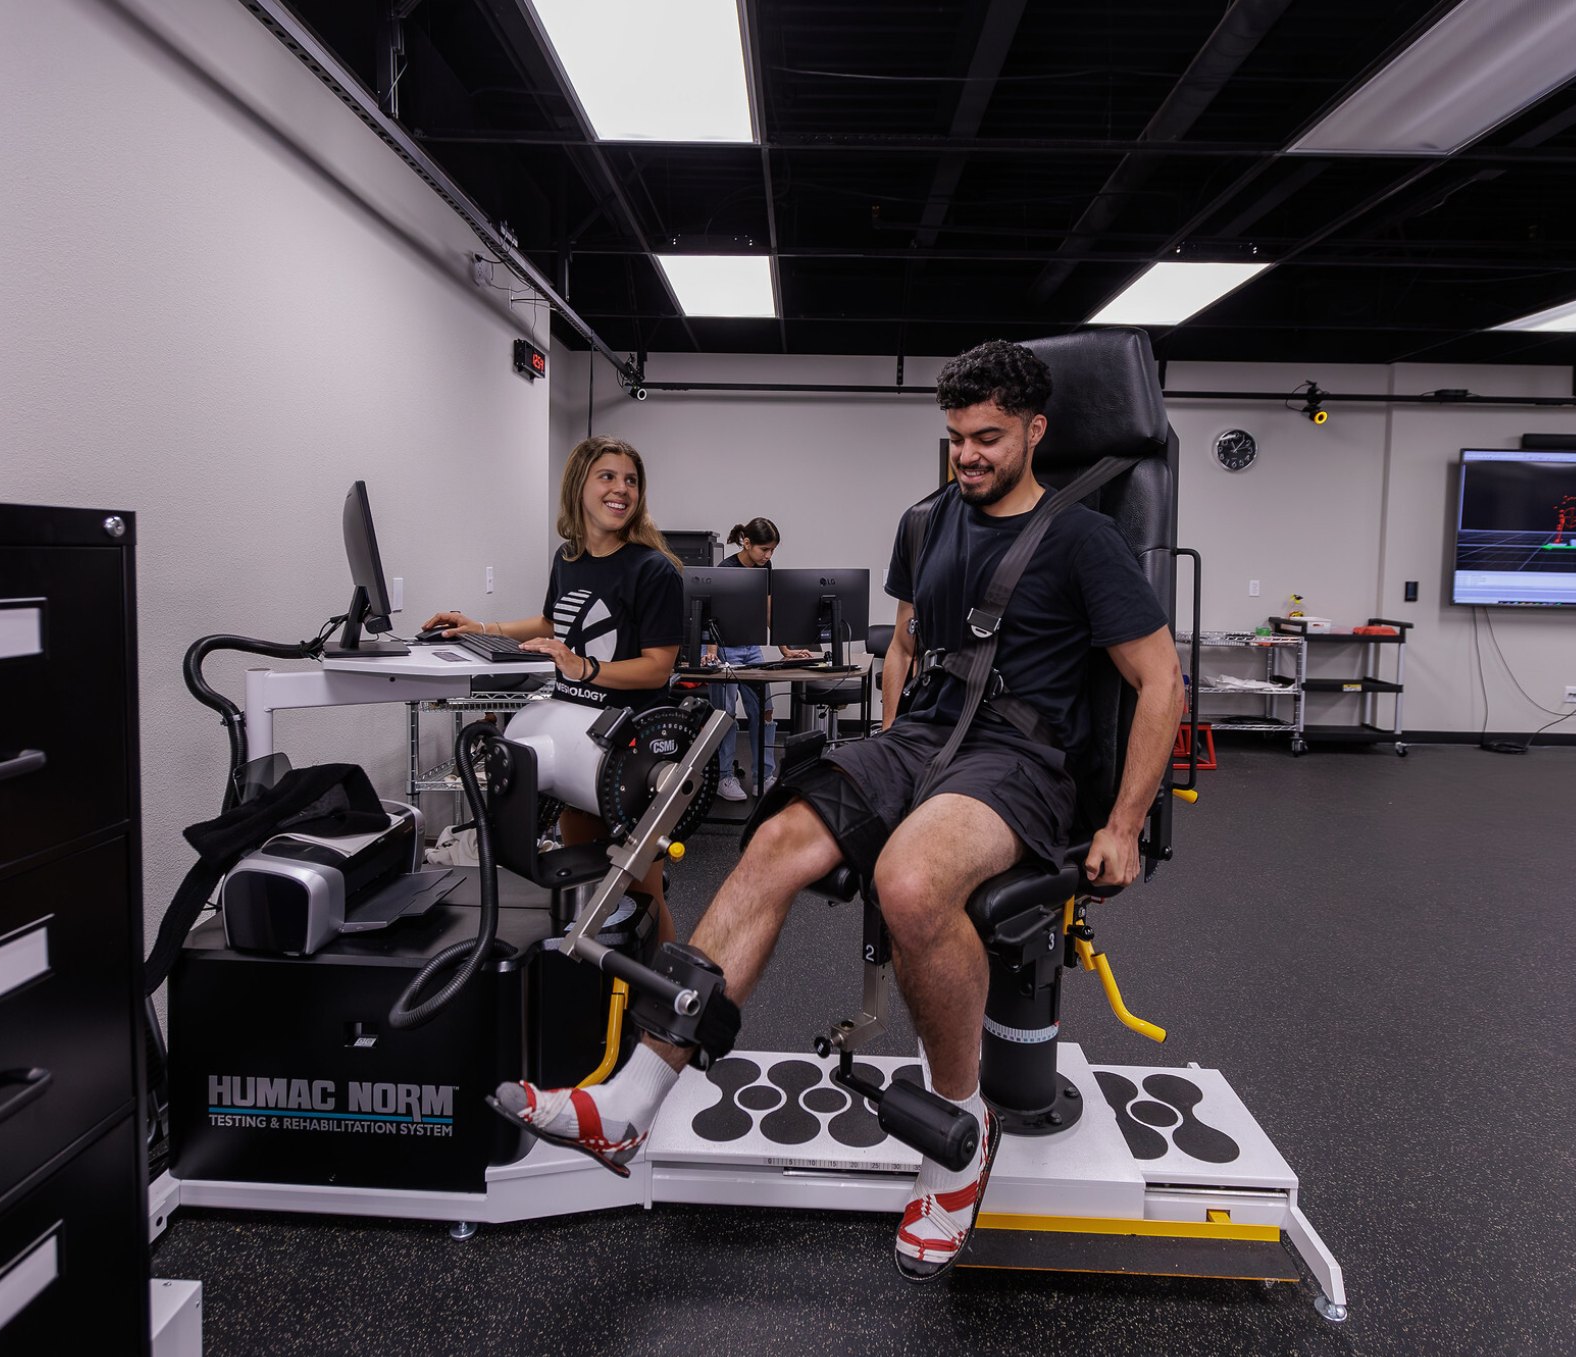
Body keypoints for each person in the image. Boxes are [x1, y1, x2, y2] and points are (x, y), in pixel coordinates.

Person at [492, 341, 1186, 1282]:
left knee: (910, 881)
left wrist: (1122, 823)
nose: (967, 455)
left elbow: (1159, 681)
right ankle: (631, 1103)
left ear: (1035, 431)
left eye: (987, 437)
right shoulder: (926, 522)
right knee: (773, 838)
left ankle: (959, 1133)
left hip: (1018, 759)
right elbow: (904, 643)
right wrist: (887, 750)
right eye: (955, 437)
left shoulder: (1083, 540)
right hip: (918, 740)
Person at [422, 435, 685, 945]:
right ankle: (602, 987)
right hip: (576, 738)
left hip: (629, 748)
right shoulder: (568, 559)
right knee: (589, 889)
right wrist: (483, 627)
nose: (621, 489)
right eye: (607, 477)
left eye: (631, 480)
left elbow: (657, 669)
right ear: (579, 486)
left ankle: (669, 993)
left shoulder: (654, 570)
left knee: (641, 895)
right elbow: (552, 621)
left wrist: (582, 667)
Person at [707, 518, 812, 802]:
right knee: (725, 715)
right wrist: (711, 651)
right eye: (764, 549)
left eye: (772, 550)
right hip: (725, 649)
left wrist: (785, 649)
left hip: (750, 647)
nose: (768, 555)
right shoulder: (726, 570)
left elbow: (768, 611)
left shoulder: (765, 568)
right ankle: (724, 777)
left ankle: (763, 777)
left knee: (764, 711)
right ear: (746, 543)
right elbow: (712, 614)